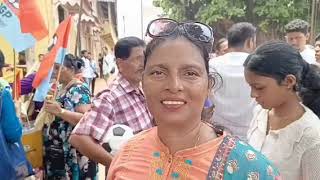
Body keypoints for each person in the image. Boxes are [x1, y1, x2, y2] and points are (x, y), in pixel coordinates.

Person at [107, 18, 280, 180]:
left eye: (190, 73)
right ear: (143, 82)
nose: (174, 86)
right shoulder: (127, 155)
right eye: (158, 73)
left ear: (208, 86)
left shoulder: (251, 169)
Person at [69, 37, 154, 171]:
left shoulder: (140, 89)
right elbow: (79, 138)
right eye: (138, 59)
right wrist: (116, 165)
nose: (143, 64)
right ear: (120, 64)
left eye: (144, 58)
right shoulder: (110, 97)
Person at [244, 41, 320, 180]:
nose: (253, 94)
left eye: (259, 87)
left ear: (289, 82)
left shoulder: (312, 137)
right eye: (250, 87)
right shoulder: (260, 114)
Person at [42, 54, 97, 179]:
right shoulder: (61, 88)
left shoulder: (78, 89)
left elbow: (86, 118)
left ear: (71, 69)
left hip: (73, 151)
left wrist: (60, 111)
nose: (55, 72)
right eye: (53, 69)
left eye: (58, 68)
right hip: (60, 151)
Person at [209, 22, 257, 140]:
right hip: (250, 136)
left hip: (217, 135)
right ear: (250, 42)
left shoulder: (212, 65)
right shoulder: (259, 66)